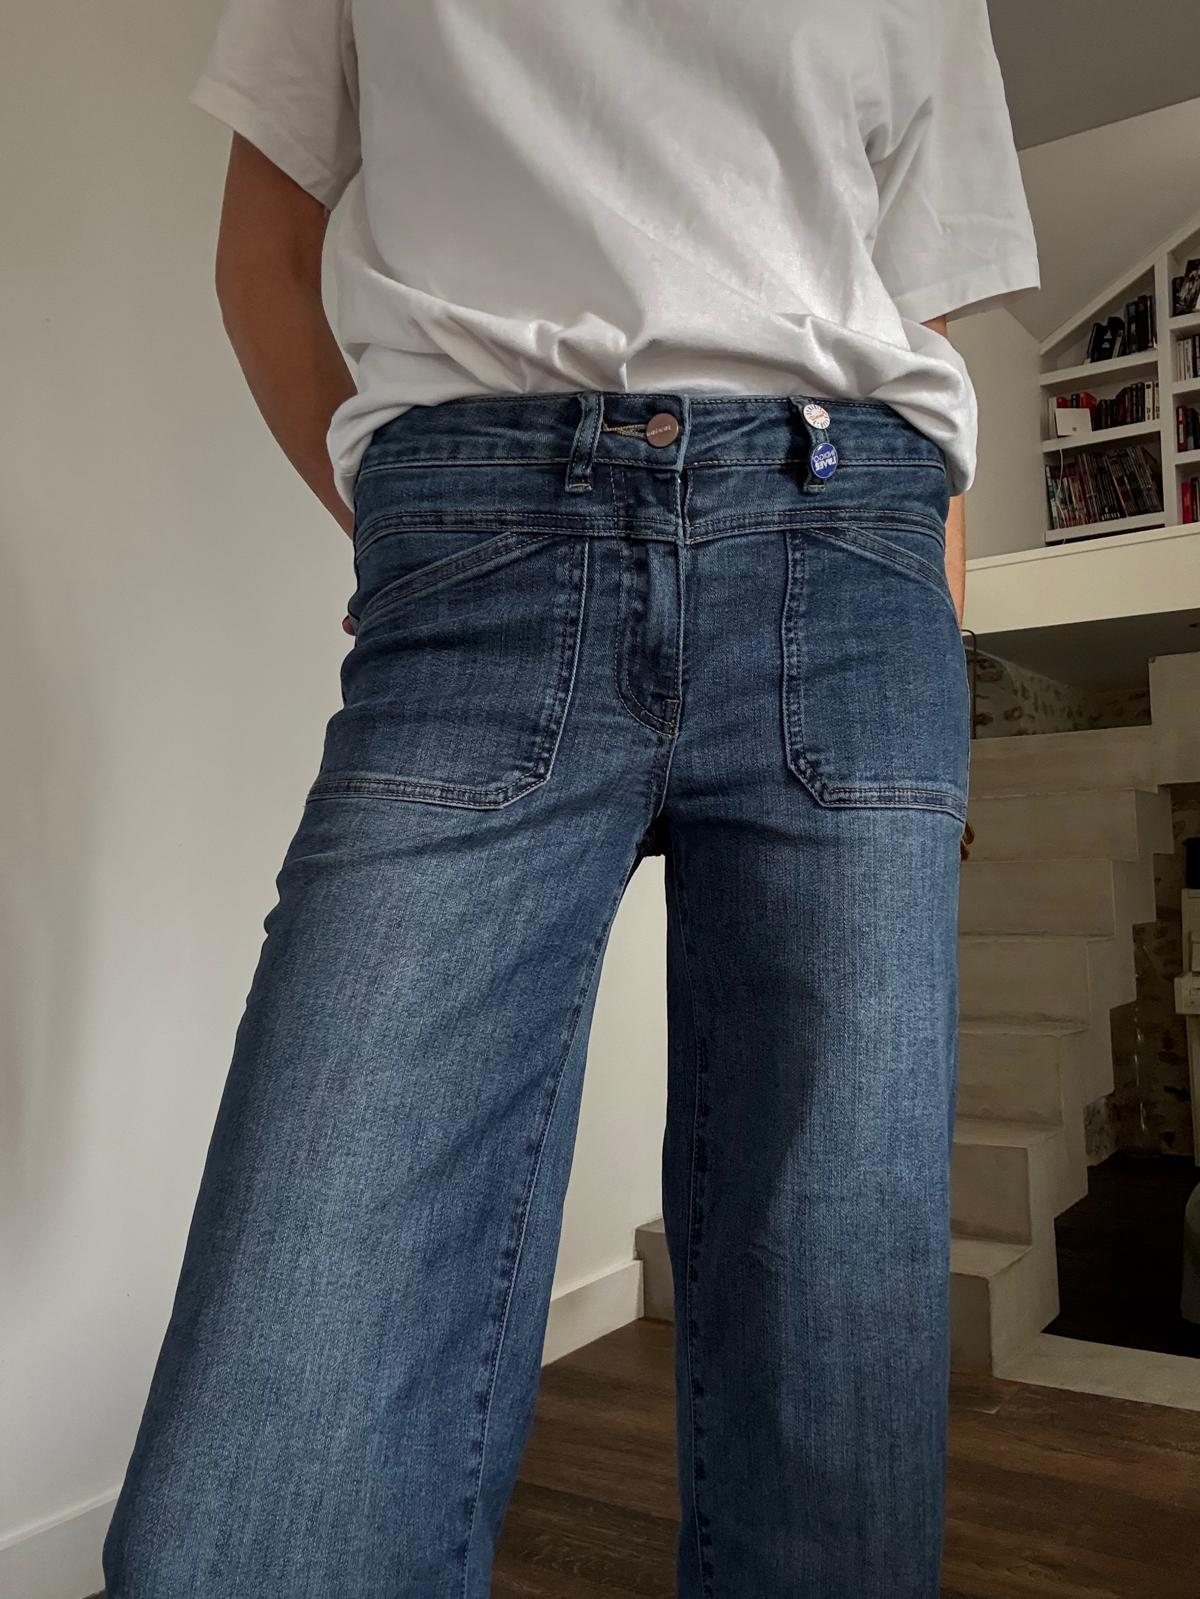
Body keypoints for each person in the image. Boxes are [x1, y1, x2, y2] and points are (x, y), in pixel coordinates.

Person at [102, 2, 1039, 1595]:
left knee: (835, 1317)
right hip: (486, 548)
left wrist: (937, 678)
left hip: (851, 569)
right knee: (295, 1346)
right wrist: (418, 541)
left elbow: (924, 328)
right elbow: (262, 250)